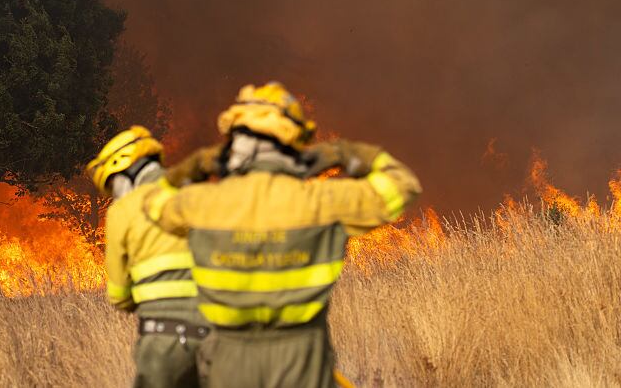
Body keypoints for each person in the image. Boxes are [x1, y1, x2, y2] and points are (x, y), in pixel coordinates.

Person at [144, 83, 421, 388]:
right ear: (294, 142)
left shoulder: (203, 204)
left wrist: (195, 166)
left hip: (228, 364)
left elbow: (152, 202)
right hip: (301, 362)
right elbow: (403, 185)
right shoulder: (322, 201)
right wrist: (346, 154)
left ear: (233, 144)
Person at [87, 126, 210, 388]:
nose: (115, 195)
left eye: (113, 185)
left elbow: (119, 295)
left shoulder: (123, 211)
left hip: (163, 340)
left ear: (126, 169)